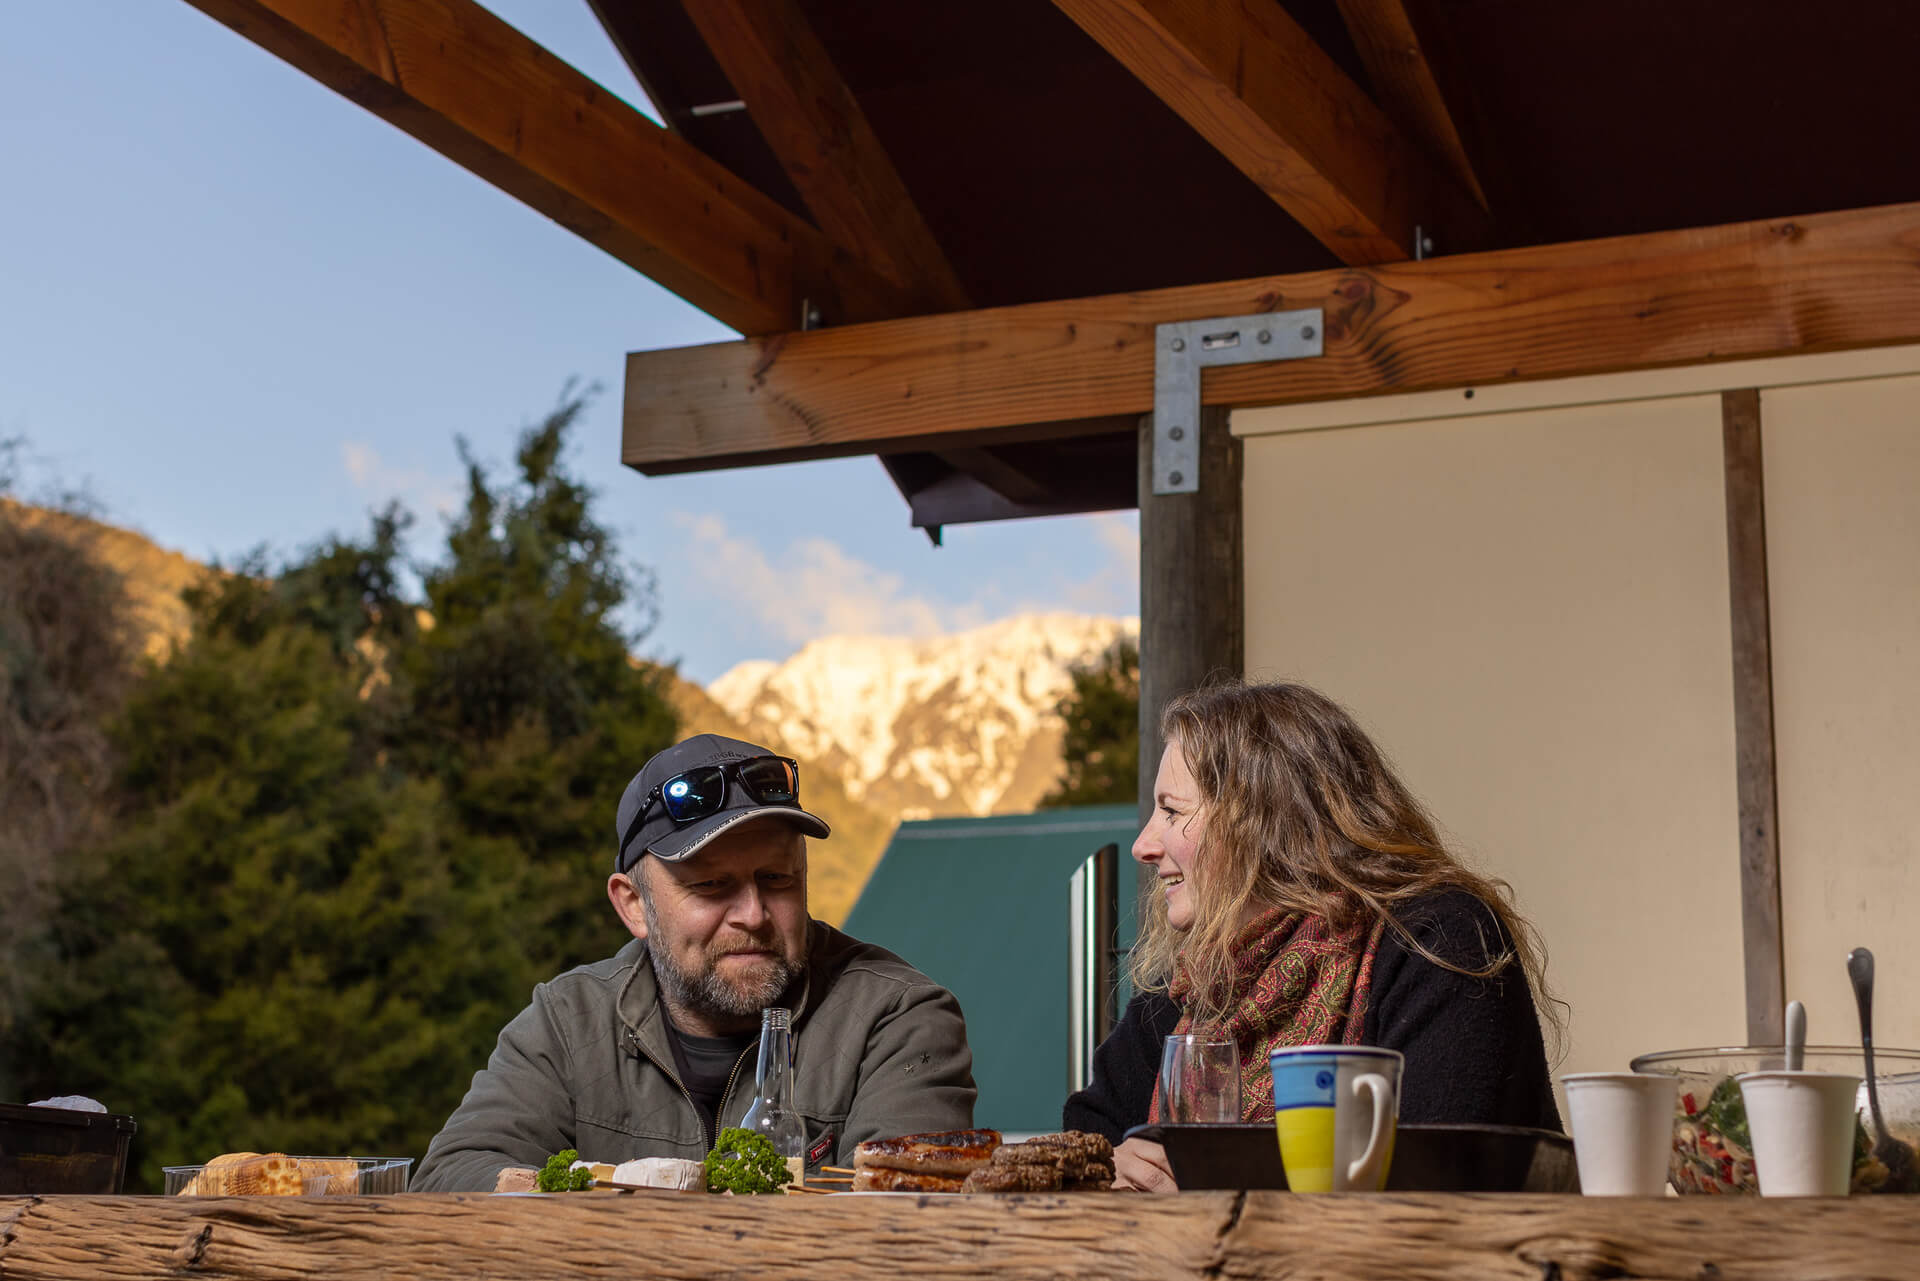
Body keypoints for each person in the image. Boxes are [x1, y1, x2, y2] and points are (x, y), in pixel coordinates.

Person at [415, 733, 975, 1192]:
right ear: (633, 905)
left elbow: (903, 1222)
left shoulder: (899, 1018)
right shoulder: (566, 1023)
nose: (753, 914)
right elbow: (451, 1177)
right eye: (711, 886)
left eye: (777, 879)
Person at [1064, 681, 1560, 1191]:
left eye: (1171, 811)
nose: (1143, 845)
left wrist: (1220, 1189)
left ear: (1261, 819)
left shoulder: (1437, 939)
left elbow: (1439, 1179)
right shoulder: (1195, 985)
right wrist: (1108, 1164)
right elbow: (1089, 1132)